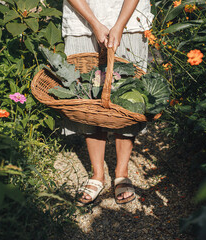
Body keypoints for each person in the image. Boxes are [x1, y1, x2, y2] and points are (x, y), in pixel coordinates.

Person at [62, 0, 153, 204]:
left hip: (129, 18)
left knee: (128, 97)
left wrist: (119, 24)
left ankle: (121, 171)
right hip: (81, 19)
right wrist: (94, 22)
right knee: (87, 97)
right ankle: (97, 174)